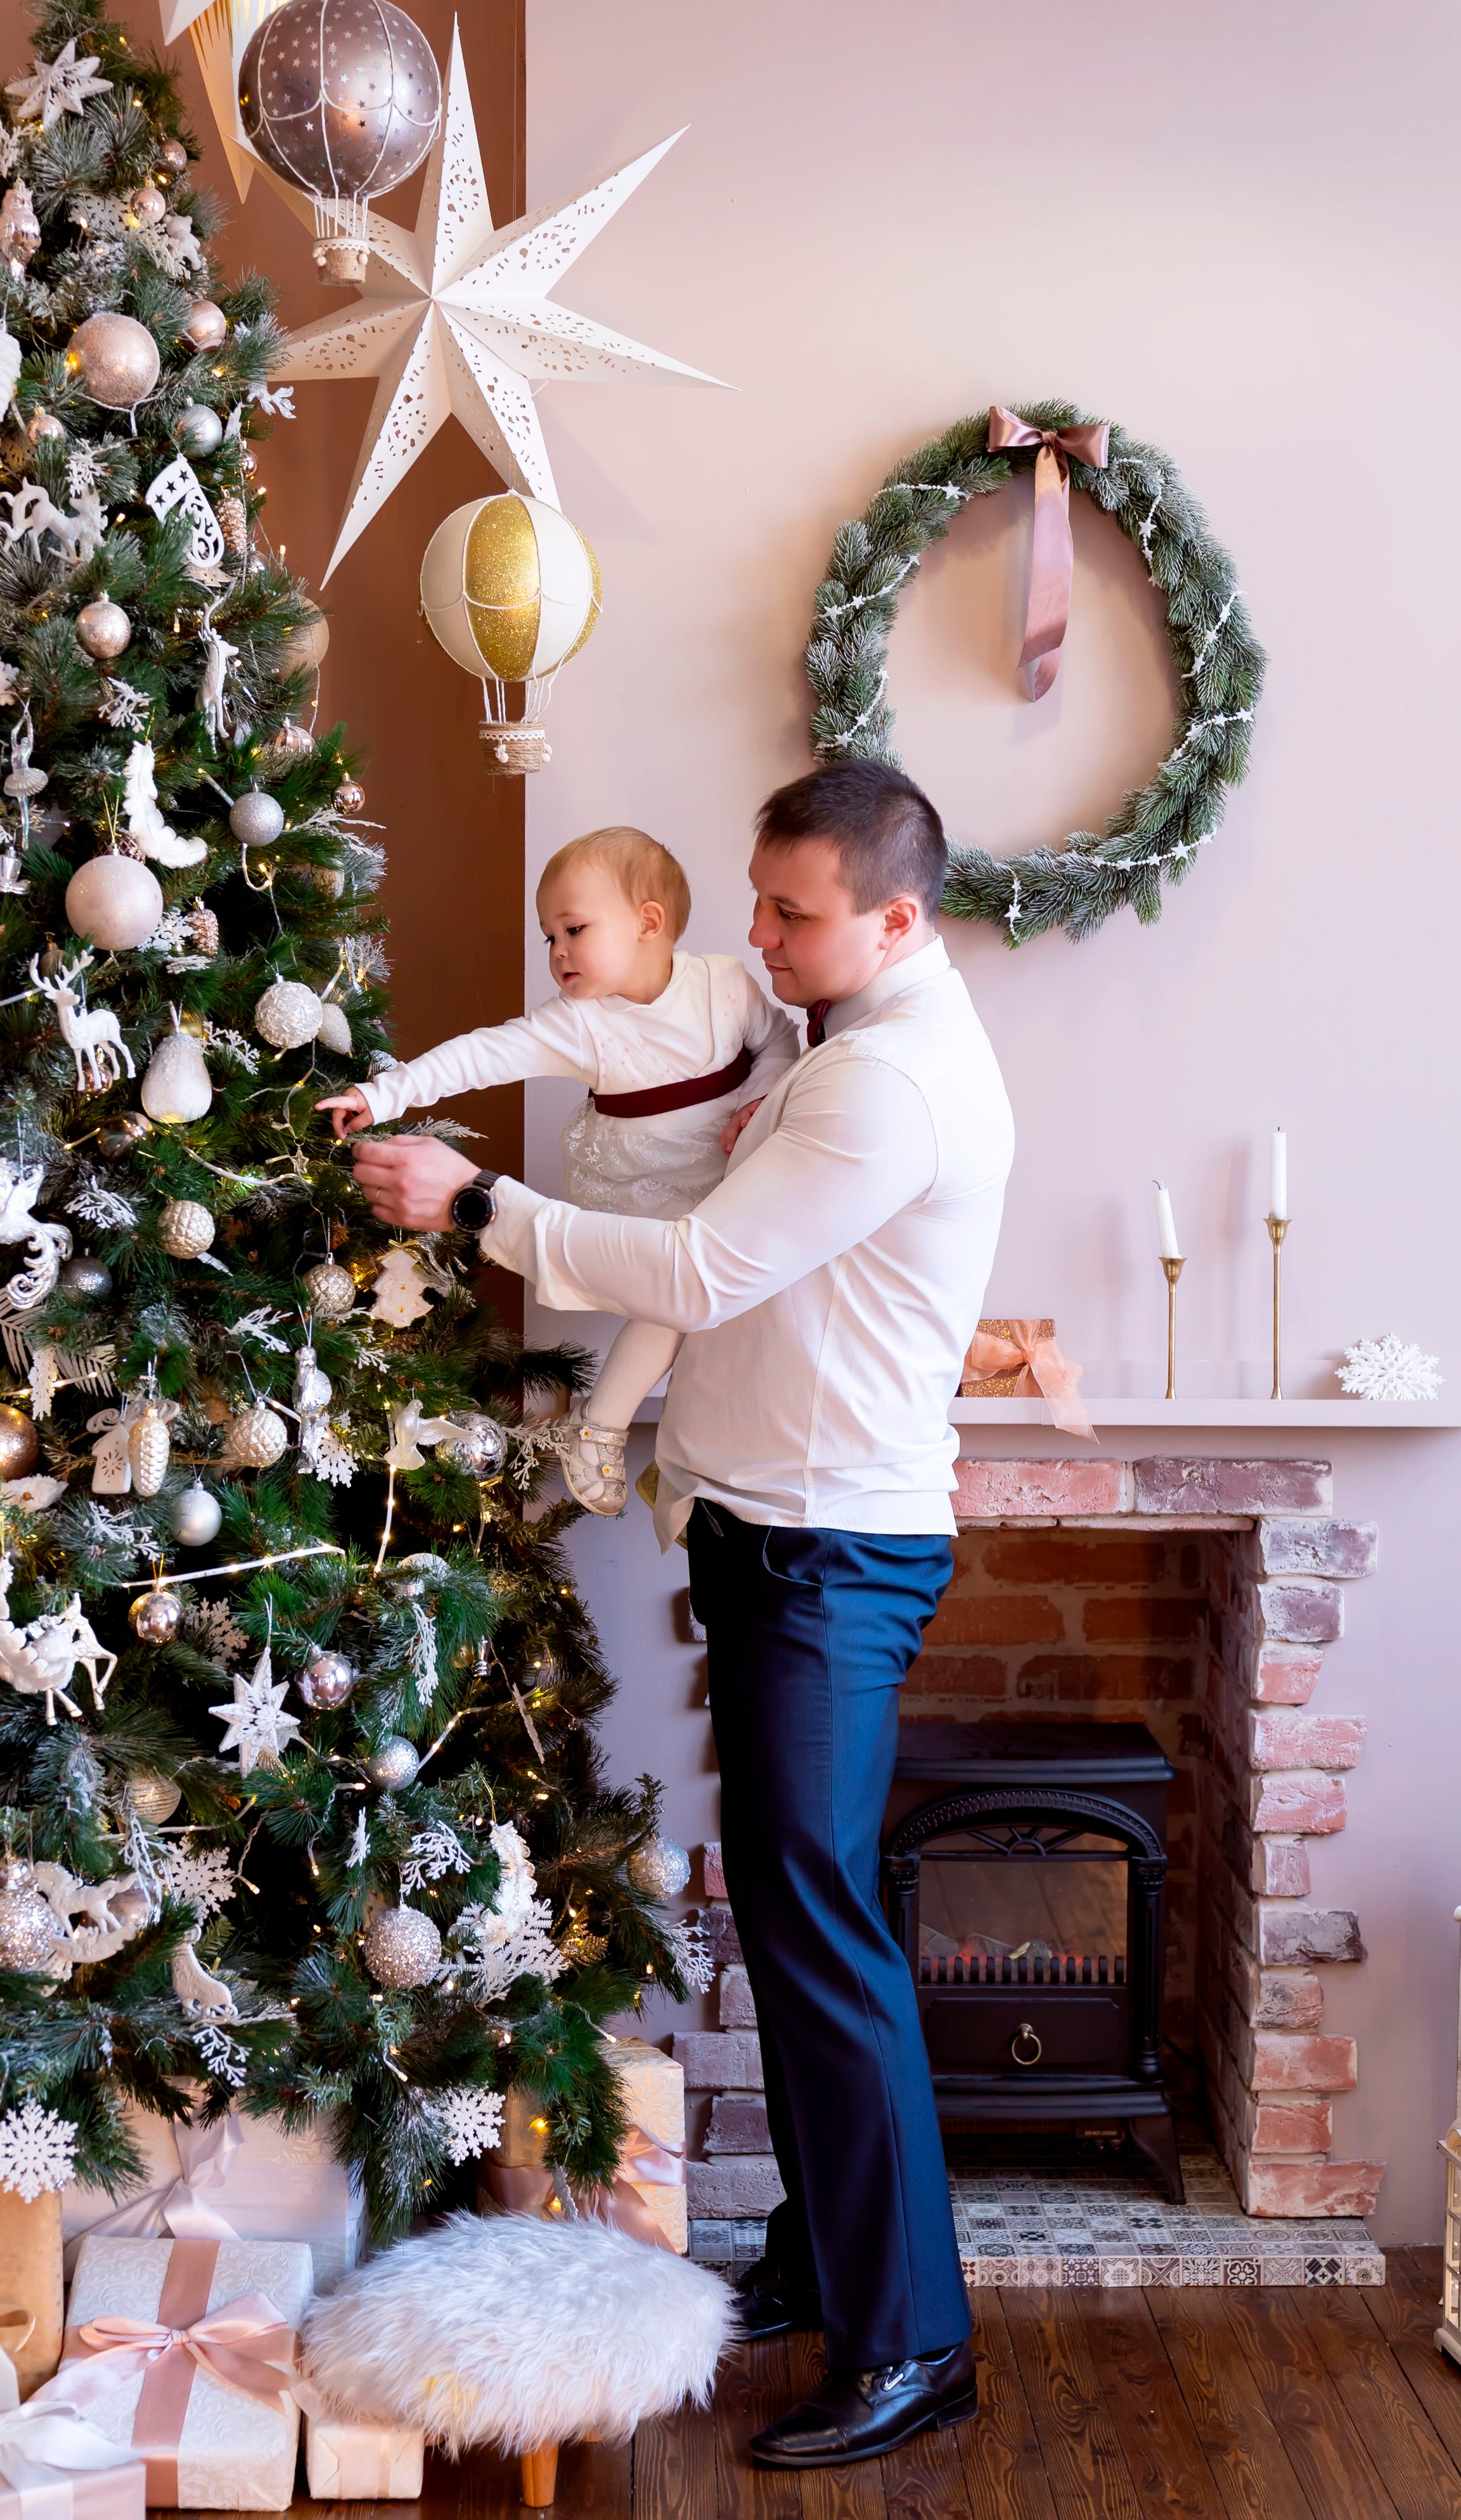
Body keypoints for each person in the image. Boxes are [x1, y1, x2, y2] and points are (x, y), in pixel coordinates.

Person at [347, 758, 1014, 2469]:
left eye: (792, 913)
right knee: (798, 1929)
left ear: (894, 918)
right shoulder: (829, 1043)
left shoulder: (889, 1085)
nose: (758, 935)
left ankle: (913, 2344)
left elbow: (708, 1268)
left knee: (823, 1938)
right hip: (773, 1532)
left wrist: (482, 1204)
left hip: (828, 1555)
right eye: (757, 898)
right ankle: (822, 2256)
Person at [318, 824, 795, 1514]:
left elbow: (778, 1042)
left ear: (648, 923)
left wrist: (758, 1098)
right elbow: (481, 1054)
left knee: (733, 1312)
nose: (557, 951)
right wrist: (383, 1094)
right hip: (647, 1188)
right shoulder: (579, 1021)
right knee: (674, 1304)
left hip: (729, 1177)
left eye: (573, 929)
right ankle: (599, 1426)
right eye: (549, 937)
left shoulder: (723, 984)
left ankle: (686, 1457)